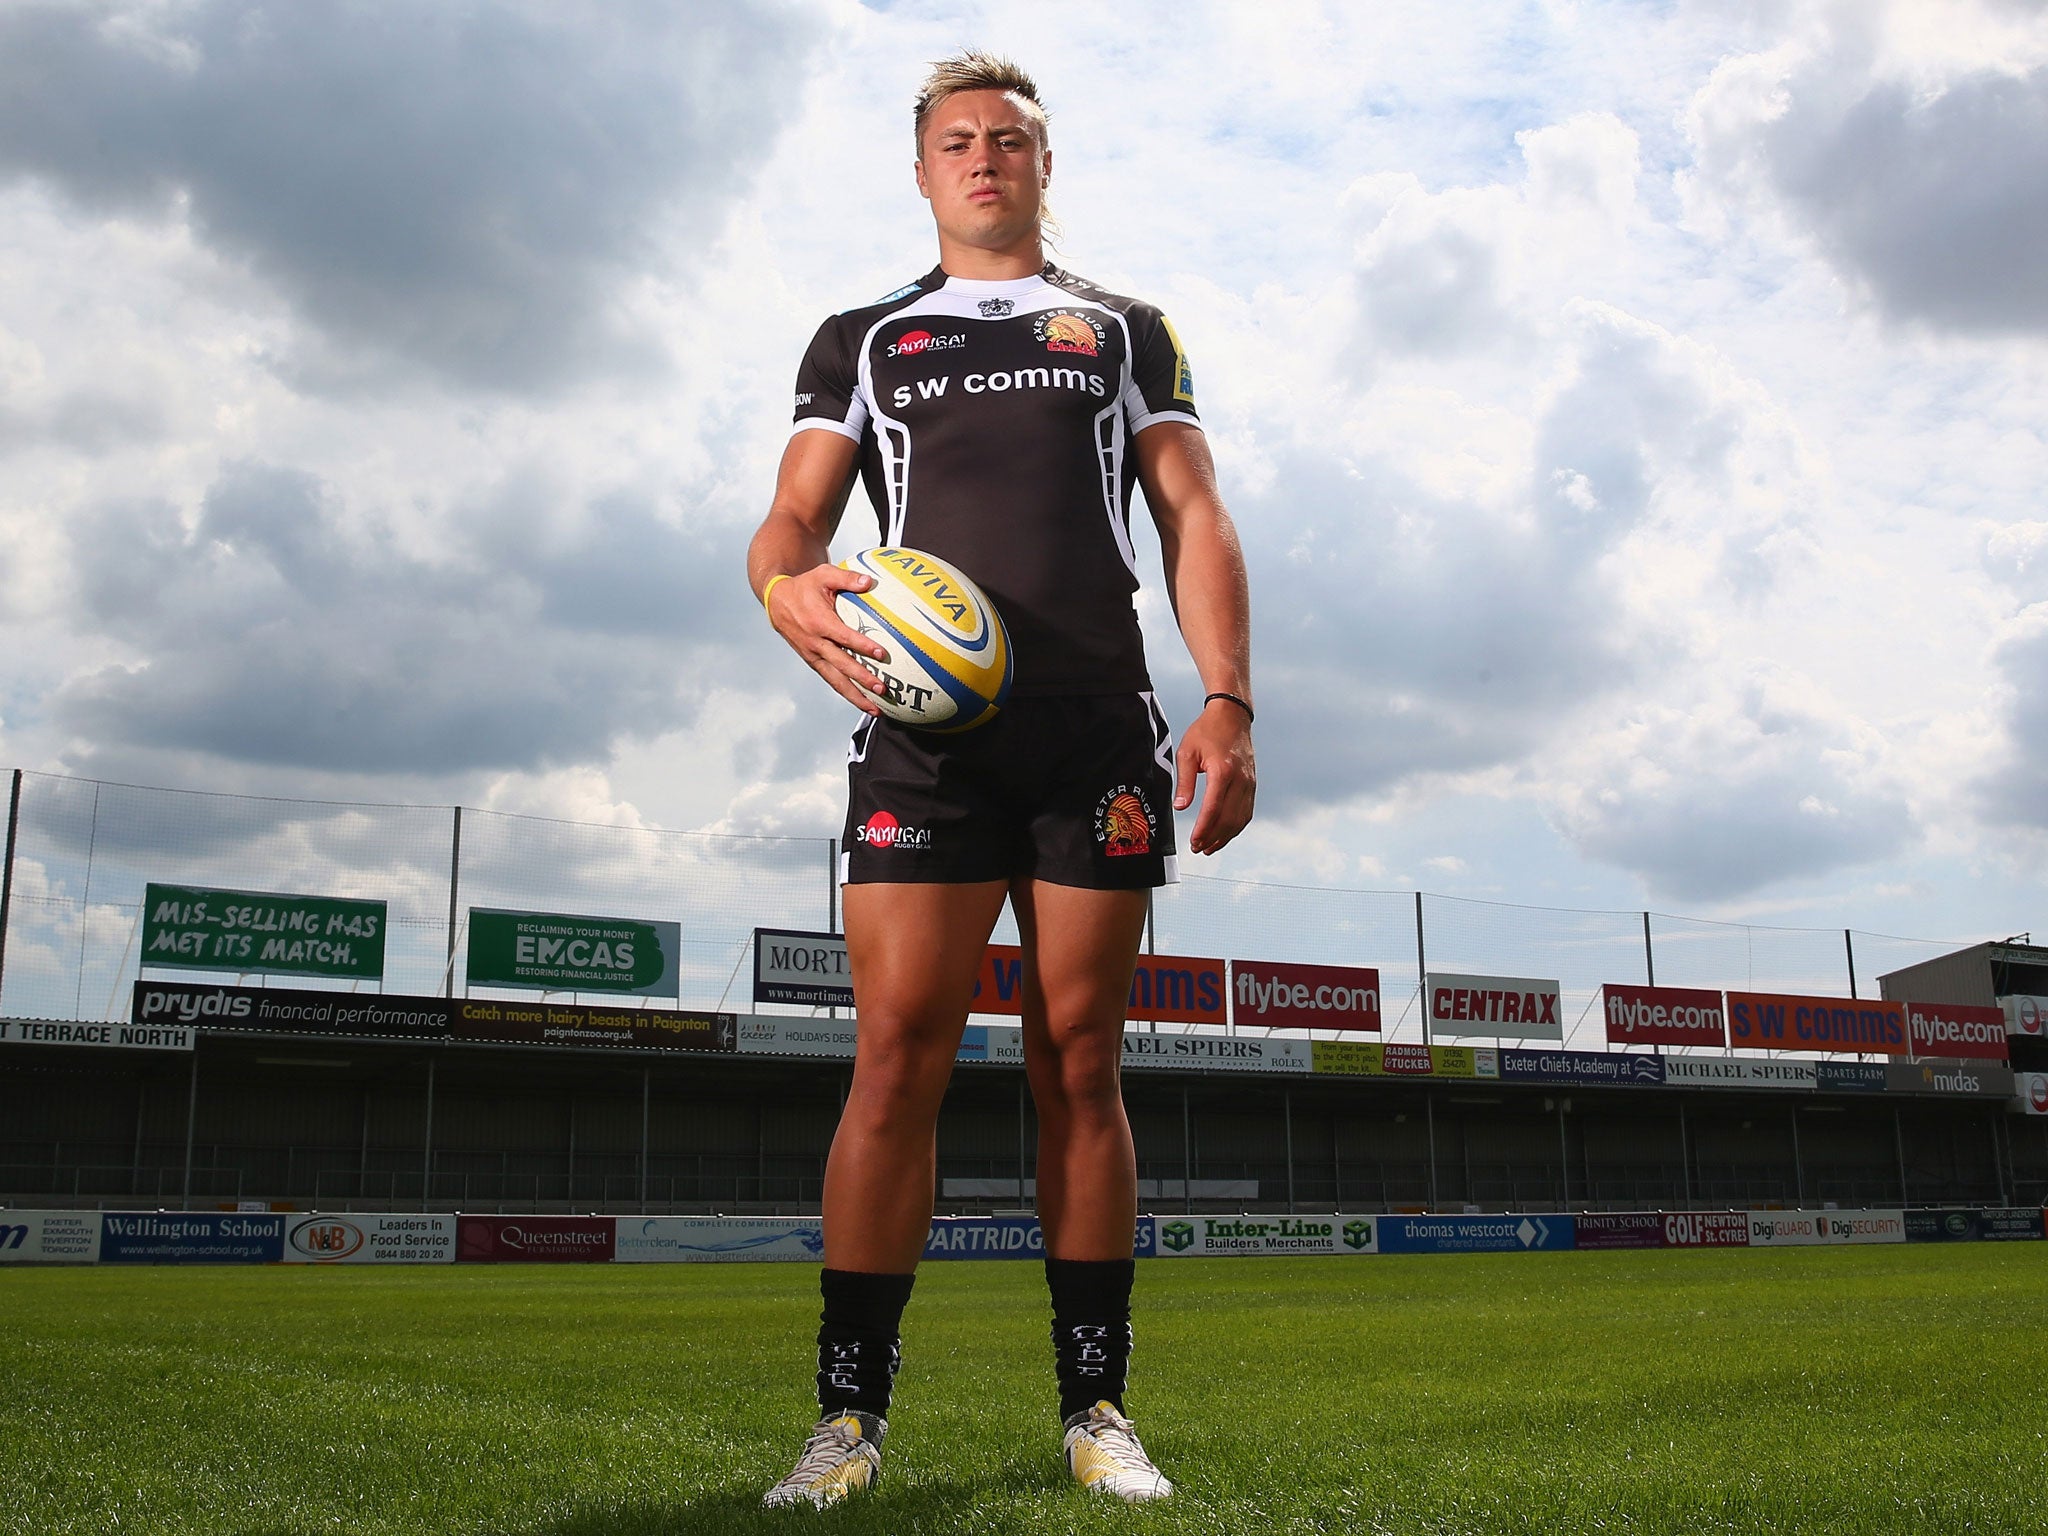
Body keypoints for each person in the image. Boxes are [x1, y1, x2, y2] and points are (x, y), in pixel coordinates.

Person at [746, 50, 1255, 1508]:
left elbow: (1190, 510)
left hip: (1097, 727)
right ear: (921, 171)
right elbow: (787, 524)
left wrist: (1225, 699)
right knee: (897, 1051)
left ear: (1044, 164)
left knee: (1078, 1060)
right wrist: (782, 593)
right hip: (928, 736)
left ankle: (1097, 1409)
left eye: (1011, 140)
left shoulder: (1123, 329)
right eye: (958, 140)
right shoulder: (863, 337)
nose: (985, 158)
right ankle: (848, 1418)